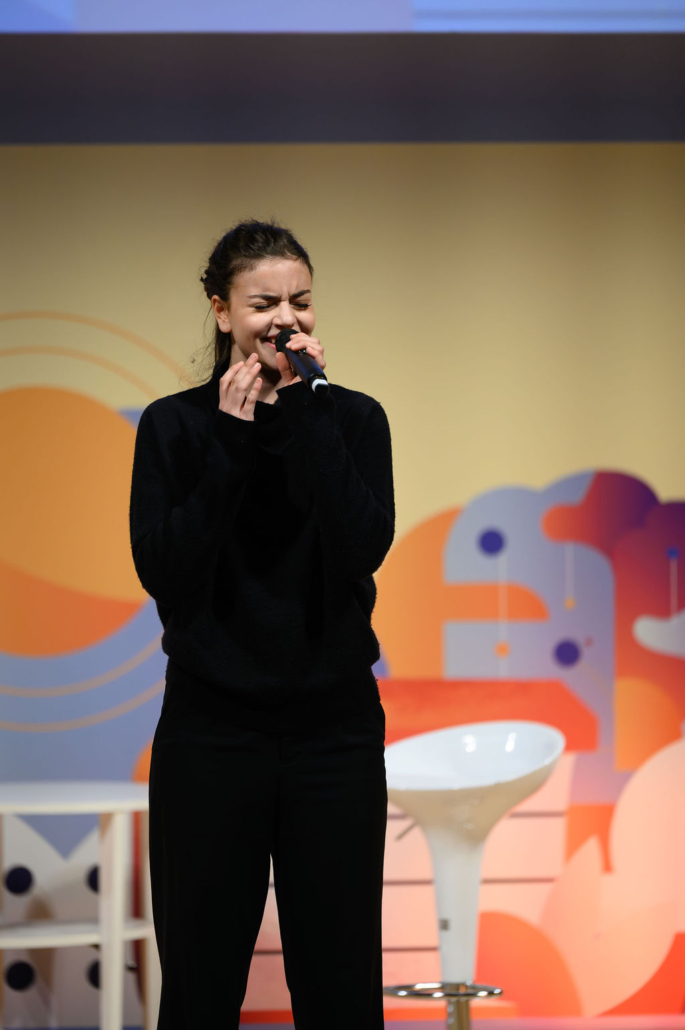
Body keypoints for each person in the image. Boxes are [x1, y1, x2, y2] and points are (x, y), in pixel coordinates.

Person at [128, 219, 395, 1029]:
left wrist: (309, 409)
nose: (286, 320)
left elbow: (361, 547)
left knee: (341, 980)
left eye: (300, 302)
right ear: (221, 311)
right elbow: (166, 569)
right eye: (263, 304)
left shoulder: (352, 419)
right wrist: (232, 441)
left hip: (334, 733)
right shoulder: (175, 426)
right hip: (211, 732)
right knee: (201, 979)